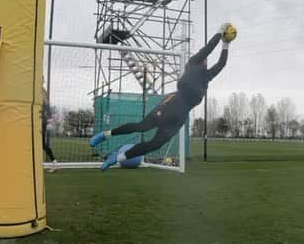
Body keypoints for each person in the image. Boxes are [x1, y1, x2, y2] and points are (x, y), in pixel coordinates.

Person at [90, 23, 233, 170]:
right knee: (142, 127)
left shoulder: (207, 77)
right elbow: (208, 48)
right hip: (171, 104)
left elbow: (221, 64)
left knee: (156, 144)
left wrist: (226, 45)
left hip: (179, 117)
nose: (206, 59)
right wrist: (219, 33)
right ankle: (105, 135)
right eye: (205, 57)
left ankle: (117, 158)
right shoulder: (193, 62)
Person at [42, 88, 58, 173]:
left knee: (41, 144)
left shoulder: (41, 91)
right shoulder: (43, 94)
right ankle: (55, 163)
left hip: (40, 123)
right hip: (41, 122)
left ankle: (55, 163)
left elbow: (48, 112)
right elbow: (49, 112)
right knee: (42, 145)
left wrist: (49, 121)